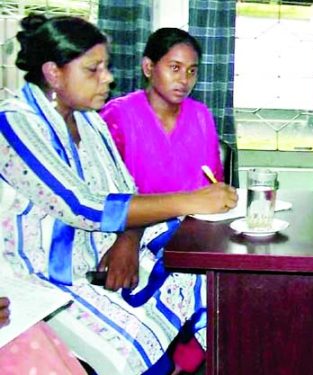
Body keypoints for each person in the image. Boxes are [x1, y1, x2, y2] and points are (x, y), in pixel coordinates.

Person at [0, 15, 237, 374]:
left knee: (208, 284)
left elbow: (125, 190)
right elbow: (79, 206)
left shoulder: (88, 120)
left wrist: (129, 237)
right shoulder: (14, 122)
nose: (107, 77)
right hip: (42, 277)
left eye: (106, 67)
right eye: (94, 69)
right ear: (53, 73)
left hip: (99, 253)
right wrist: (193, 199)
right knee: (134, 345)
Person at [100, 27, 223, 194]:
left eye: (192, 71)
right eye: (175, 68)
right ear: (148, 67)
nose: (184, 79)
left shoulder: (200, 116)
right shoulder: (118, 115)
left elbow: (214, 182)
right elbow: (107, 197)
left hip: (196, 218)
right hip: (137, 219)